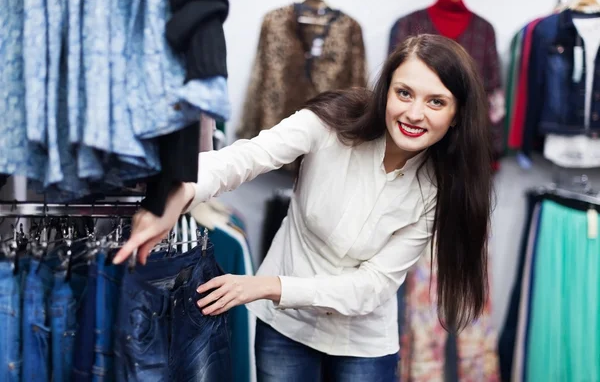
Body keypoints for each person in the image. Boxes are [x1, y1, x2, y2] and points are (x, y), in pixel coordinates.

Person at [113, 33, 493, 381]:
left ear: (456, 113)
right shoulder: (329, 125)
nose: (414, 113)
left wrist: (267, 286)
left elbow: (371, 287)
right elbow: (247, 157)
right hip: (286, 329)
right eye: (404, 93)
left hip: (363, 341)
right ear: (385, 91)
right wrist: (178, 193)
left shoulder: (441, 188)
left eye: (436, 102)